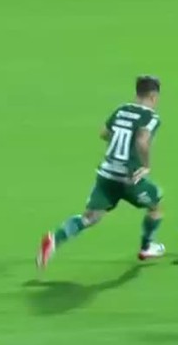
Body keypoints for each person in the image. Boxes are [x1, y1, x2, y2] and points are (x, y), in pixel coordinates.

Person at [38, 75, 166, 268]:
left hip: (106, 175)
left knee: (89, 217)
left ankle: (54, 240)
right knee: (156, 206)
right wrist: (146, 165)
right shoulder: (151, 117)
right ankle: (147, 247)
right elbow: (142, 140)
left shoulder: (122, 110)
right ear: (154, 97)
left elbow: (104, 133)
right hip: (130, 179)